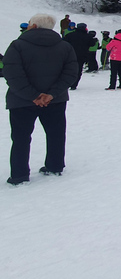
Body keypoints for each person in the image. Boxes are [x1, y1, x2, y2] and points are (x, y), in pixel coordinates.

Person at [4, 13, 78, 185]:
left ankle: (20, 174)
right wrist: (52, 94)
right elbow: (70, 73)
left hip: (21, 100)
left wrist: (33, 95)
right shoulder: (65, 46)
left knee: (21, 137)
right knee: (56, 133)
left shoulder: (17, 46)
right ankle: (55, 165)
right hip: (55, 100)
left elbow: (12, 73)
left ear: (34, 26)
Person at [63, 22, 92, 89]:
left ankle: (67, 83)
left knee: (68, 69)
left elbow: (64, 42)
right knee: (78, 71)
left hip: (70, 55)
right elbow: (92, 44)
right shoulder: (88, 36)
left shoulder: (70, 35)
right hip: (82, 56)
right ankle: (74, 85)